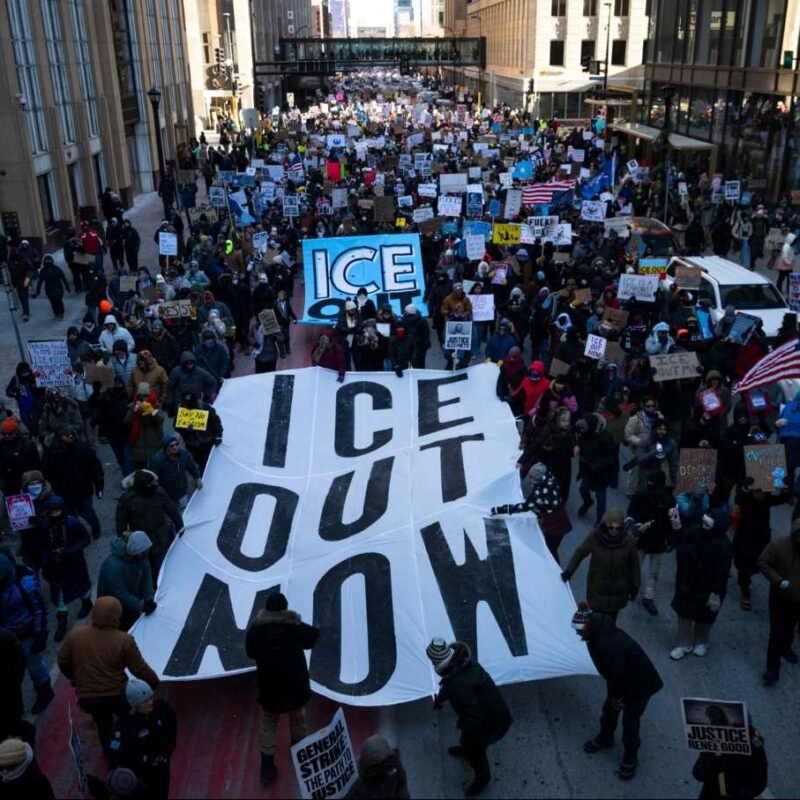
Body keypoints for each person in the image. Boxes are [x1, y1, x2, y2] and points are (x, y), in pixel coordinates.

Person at [57, 596, 160, 757]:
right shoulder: (123, 640)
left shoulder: (76, 635)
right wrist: (153, 681)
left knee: (102, 725)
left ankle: (111, 755)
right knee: (130, 720)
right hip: (116, 694)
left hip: (88, 697)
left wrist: (76, 678)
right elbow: (139, 668)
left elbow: (63, 661)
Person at [572, 603, 663, 781]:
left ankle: (630, 757)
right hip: (623, 680)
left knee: (630, 721)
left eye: (578, 630)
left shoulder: (606, 644)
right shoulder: (599, 634)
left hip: (640, 685)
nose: (577, 634)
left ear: (588, 628)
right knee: (610, 710)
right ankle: (606, 737)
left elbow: (618, 675)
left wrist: (618, 697)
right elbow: (614, 674)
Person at [245, 592, 319, 787]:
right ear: (285, 608)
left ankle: (267, 768)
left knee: (268, 725)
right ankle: (299, 750)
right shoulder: (293, 627)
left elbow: (250, 651)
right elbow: (312, 638)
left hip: (270, 688)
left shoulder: (257, 630)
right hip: (295, 687)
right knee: (297, 719)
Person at [427, 637, 512, 796]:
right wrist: (440, 698)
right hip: (494, 714)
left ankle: (482, 777)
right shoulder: (465, 665)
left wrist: (470, 740)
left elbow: (472, 716)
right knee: (469, 743)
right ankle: (467, 749)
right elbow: (450, 684)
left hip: (490, 723)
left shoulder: (458, 685)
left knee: (476, 752)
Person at [26, 495, 93, 642]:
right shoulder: (45, 525)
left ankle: (87, 603)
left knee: (81, 588)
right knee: (59, 595)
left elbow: (85, 539)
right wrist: (45, 563)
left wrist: (69, 552)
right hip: (55, 565)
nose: (55, 514)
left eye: (57, 510)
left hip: (74, 564)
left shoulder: (72, 523)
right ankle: (62, 621)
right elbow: (43, 545)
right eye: (52, 511)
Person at [670, 509, 733, 660]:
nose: (703, 525)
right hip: (688, 581)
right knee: (684, 614)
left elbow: (722, 572)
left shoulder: (724, 546)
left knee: (704, 617)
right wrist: (677, 525)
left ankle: (701, 641)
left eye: (707, 523)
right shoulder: (697, 531)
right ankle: (683, 643)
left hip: (708, 586)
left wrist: (716, 592)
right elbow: (682, 537)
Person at [561, 509, 641, 619]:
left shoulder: (629, 541)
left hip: (618, 591)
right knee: (595, 621)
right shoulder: (595, 537)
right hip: (597, 589)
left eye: (618, 528)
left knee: (610, 623)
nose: (614, 530)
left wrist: (635, 585)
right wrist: (569, 571)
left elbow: (634, 565)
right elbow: (580, 553)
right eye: (611, 527)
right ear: (605, 525)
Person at [0, 554, 53, 714]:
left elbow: (40, 610)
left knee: (35, 666)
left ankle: (45, 691)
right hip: (8, 637)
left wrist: (40, 635)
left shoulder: (26, 584)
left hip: (27, 635)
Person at [108, 679, 177, 799]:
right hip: (140, 773)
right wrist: (141, 761)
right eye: (144, 701)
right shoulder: (123, 727)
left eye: (151, 698)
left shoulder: (161, 709)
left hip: (161, 766)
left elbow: (172, 723)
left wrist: (170, 746)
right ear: (134, 704)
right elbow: (115, 753)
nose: (150, 703)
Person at [490, 462, 571, 563]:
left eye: (532, 478)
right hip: (560, 518)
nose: (530, 480)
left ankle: (555, 573)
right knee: (550, 548)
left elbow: (523, 507)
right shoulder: (549, 479)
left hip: (556, 526)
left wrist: (501, 509)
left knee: (550, 551)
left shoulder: (541, 493)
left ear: (538, 478)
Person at [627, 470, 679, 615]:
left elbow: (630, 512)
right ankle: (641, 592)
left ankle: (639, 591)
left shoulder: (663, 498)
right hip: (649, 538)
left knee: (642, 567)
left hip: (649, 538)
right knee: (650, 570)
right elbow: (674, 521)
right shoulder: (666, 498)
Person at [116, 471, 183, 584]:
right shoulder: (127, 500)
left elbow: (171, 509)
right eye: (150, 484)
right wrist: (123, 538)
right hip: (141, 542)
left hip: (160, 538)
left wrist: (180, 525)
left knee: (160, 568)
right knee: (144, 570)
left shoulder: (159, 493)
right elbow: (121, 522)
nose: (153, 486)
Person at [42, 425, 104, 540]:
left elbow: (95, 467)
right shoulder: (53, 452)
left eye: (72, 434)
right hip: (63, 490)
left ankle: (95, 527)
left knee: (87, 512)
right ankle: (78, 533)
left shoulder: (83, 448)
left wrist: (99, 484)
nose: (70, 436)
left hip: (83, 488)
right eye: (67, 434)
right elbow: (46, 469)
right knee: (70, 515)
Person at [758, 520, 800, 686]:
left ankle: (786, 648)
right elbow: (763, 562)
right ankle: (772, 668)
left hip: (798, 599)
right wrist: (778, 580)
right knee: (776, 631)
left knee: (791, 625)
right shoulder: (779, 546)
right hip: (780, 597)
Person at [96, 532, 156, 632]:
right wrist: (141, 605)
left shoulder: (140, 556)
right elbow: (120, 593)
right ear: (136, 553)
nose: (147, 555)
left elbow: (146, 573)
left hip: (130, 597)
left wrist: (149, 596)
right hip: (113, 605)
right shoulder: (112, 567)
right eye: (144, 553)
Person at [148, 434, 202, 509]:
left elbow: (192, 467)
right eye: (172, 446)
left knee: (183, 511)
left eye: (176, 444)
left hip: (182, 491)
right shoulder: (157, 460)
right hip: (167, 495)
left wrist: (197, 478)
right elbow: (154, 479)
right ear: (166, 447)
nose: (175, 447)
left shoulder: (183, 454)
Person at [0, 417, 41, 496]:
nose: (7, 436)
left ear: (16, 432)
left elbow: (35, 464)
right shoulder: (1, 445)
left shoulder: (27, 445)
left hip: (24, 481)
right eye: (4, 434)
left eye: (10, 433)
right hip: (7, 482)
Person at [0, 628, 28, 742]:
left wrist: (15, 682)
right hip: (10, 690)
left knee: (14, 724)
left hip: (9, 692)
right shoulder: (5, 635)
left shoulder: (4, 637)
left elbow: (19, 659)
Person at [33, 255, 70, 319]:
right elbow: (40, 281)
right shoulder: (43, 270)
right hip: (49, 288)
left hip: (58, 287)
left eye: (49, 261)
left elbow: (63, 278)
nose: (48, 262)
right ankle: (56, 313)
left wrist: (67, 287)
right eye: (47, 261)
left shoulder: (56, 269)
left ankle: (61, 313)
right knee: (53, 302)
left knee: (58, 301)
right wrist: (38, 290)